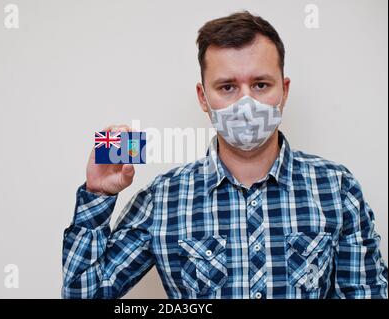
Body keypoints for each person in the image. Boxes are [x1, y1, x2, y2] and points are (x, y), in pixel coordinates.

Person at [62, 11, 388, 299]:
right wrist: (98, 195)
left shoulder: (337, 187)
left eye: (260, 84)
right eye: (227, 87)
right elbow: (83, 293)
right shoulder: (163, 198)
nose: (246, 103)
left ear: (284, 91)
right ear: (203, 98)